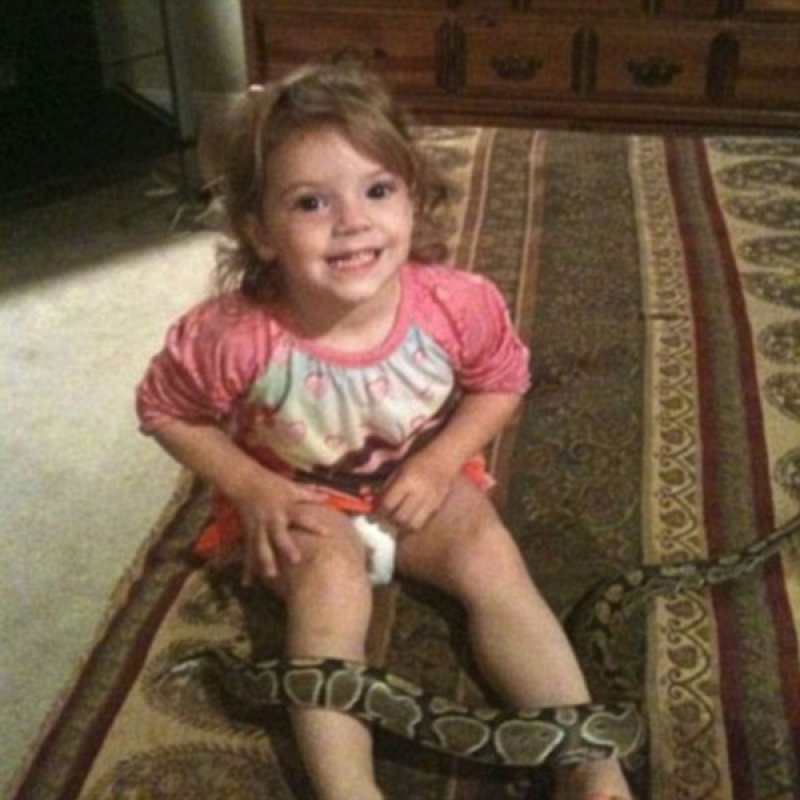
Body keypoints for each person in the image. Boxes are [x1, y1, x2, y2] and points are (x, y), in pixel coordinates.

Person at [136, 62, 633, 800]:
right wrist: (252, 486)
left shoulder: (456, 304)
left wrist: (442, 461)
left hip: (418, 476)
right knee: (331, 590)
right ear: (259, 231)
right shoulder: (233, 336)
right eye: (311, 202)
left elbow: (502, 382)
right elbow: (164, 409)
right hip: (296, 497)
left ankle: (592, 767)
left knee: (492, 559)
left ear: (413, 197)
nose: (353, 221)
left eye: (377, 190)